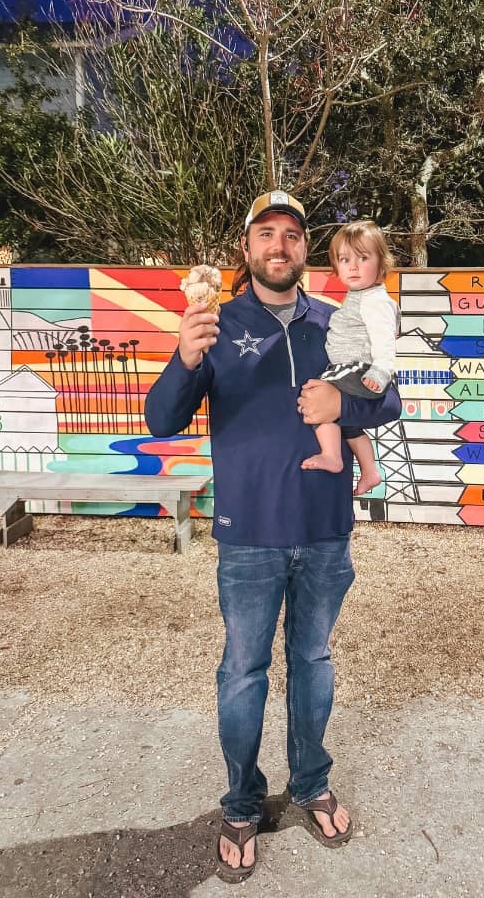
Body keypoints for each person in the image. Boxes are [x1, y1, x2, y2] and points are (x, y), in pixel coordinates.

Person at [144, 190, 401, 884]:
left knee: (312, 661)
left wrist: (341, 403)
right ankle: (240, 801)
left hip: (323, 529)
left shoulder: (336, 320)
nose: (279, 246)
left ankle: (311, 783)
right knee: (242, 672)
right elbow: (163, 419)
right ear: (247, 248)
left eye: (291, 234)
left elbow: (388, 398)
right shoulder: (215, 323)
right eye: (266, 234)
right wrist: (183, 359)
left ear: (304, 249)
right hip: (248, 534)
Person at [301, 220, 400, 496]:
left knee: (314, 395)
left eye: (363, 258)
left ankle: (332, 455)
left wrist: (380, 372)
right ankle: (370, 471)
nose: (353, 267)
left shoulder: (374, 301)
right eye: (345, 260)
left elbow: (384, 341)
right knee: (350, 426)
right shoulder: (360, 296)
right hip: (353, 368)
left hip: (358, 369)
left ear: (382, 264)